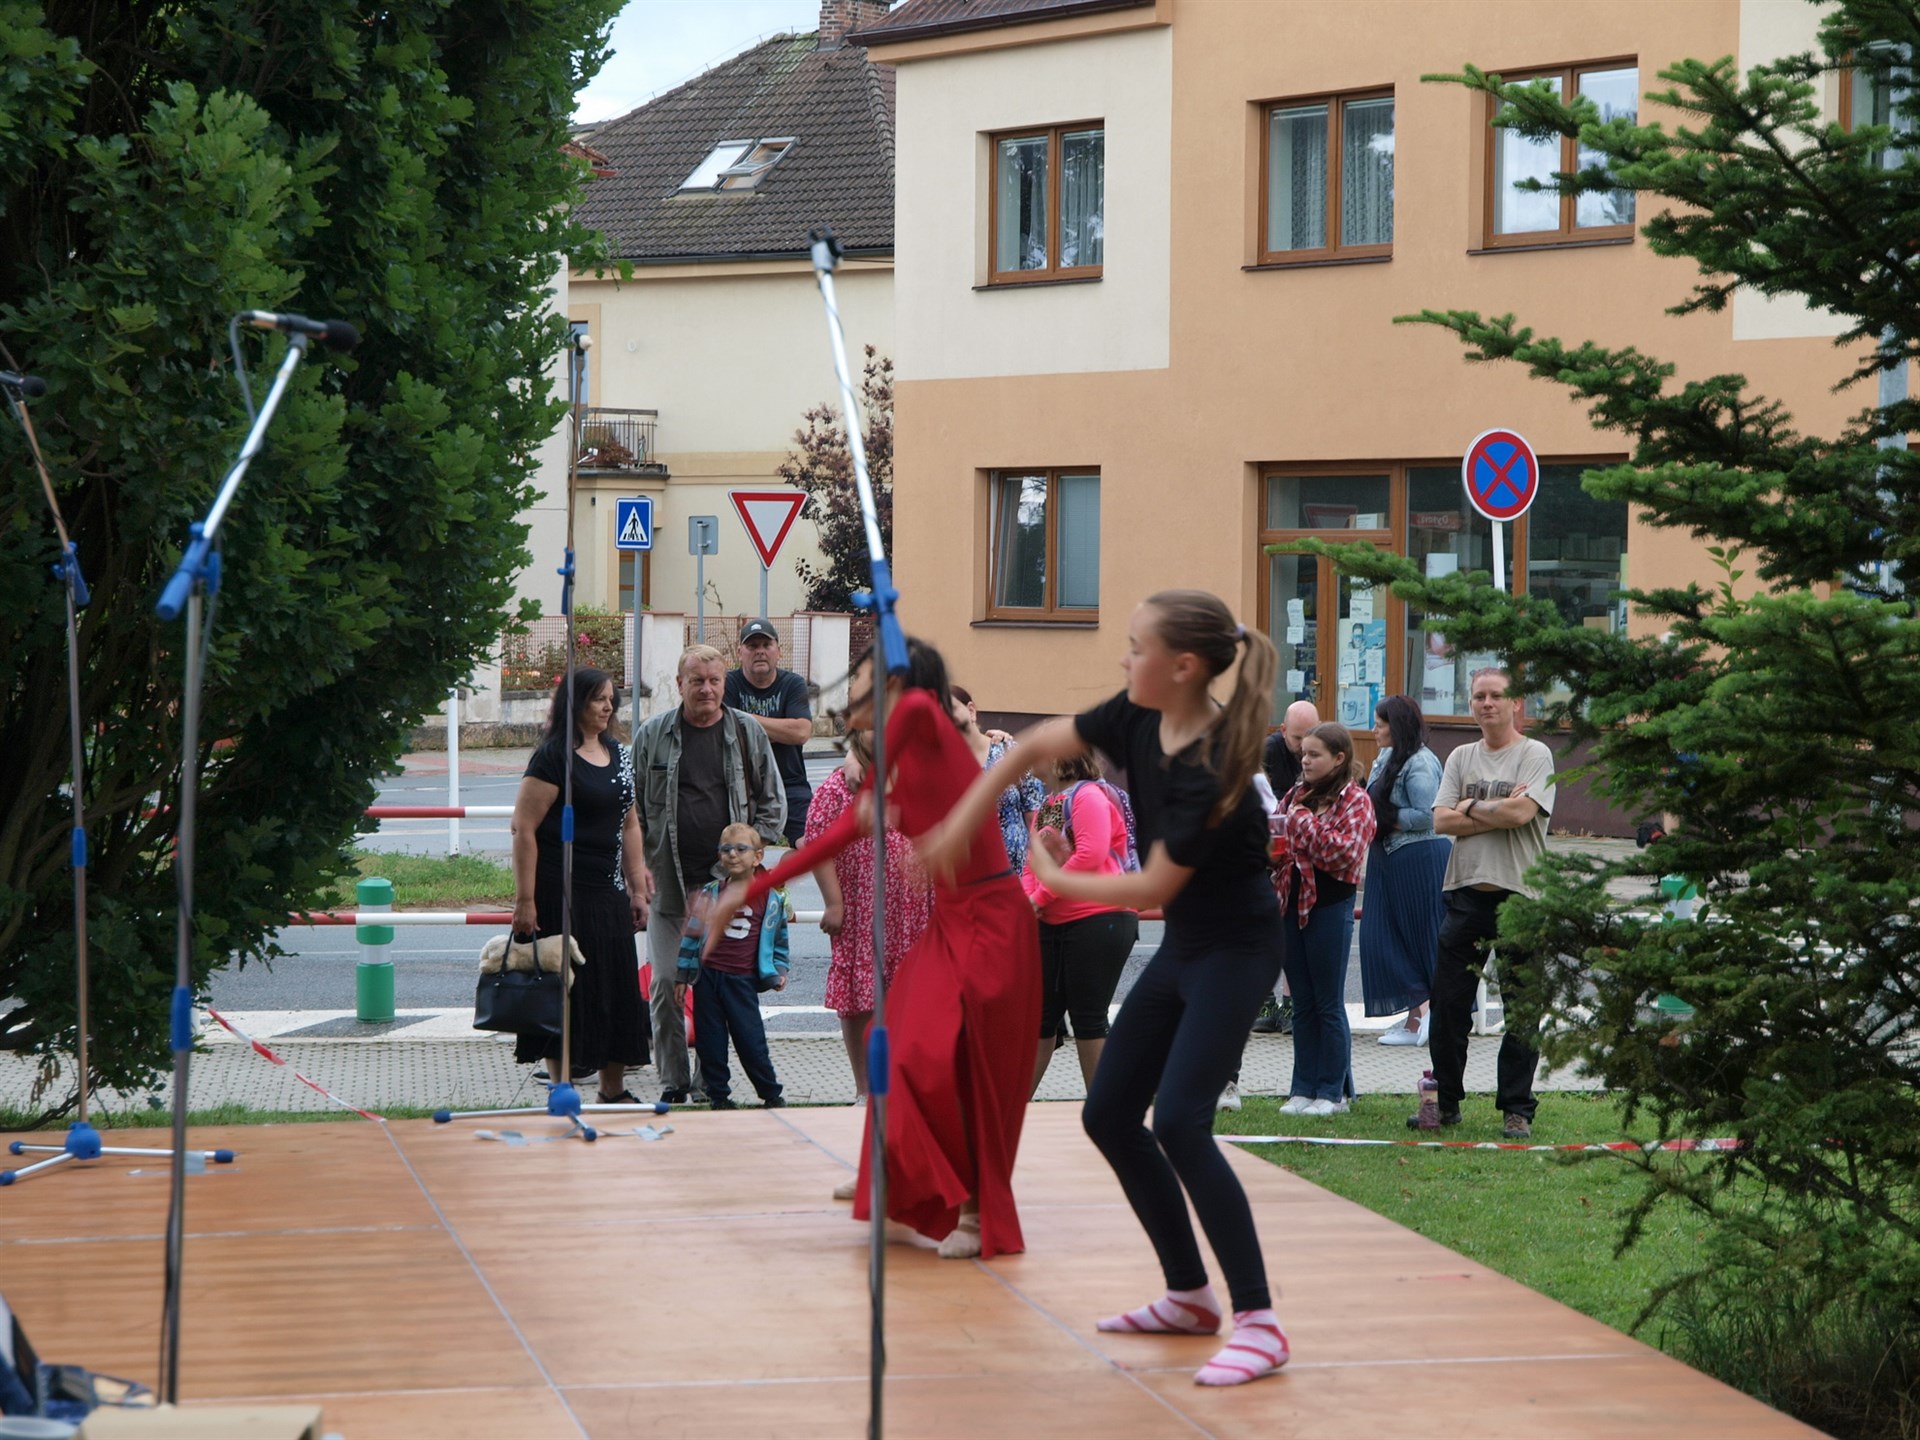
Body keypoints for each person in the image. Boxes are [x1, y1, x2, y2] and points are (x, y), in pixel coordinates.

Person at [934, 589, 1291, 1387]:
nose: (1123, 659)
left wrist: (1055, 874)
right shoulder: (1136, 716)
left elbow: (1154, 884)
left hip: (1236, 951)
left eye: (1136, 646)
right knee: (1108, 1114)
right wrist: (964, 819)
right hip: (1189, 947)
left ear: (1183, 667)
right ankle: (1189, 1294)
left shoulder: (1211, 765)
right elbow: (1034, 746)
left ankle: (1260, 1323)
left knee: (1184, 1123)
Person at [700, 638, 1040, 1261]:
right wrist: (747, 892)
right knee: (901, 1045)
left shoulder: (931, 731)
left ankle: (974, 1213)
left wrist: (874, 691)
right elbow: (829, 840)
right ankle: (893, 1172)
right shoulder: (893, 769)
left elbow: (912, 708)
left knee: (959, 1066)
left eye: (862, 687)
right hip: (951, 924)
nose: (852, 700)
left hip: (993, 922)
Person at [633, 644, 786, 1105]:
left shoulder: (745, 732)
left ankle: (708, 1084)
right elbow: (632, 811)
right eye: (696, 681)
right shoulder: (653, 734)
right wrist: (636, 870)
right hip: (668, 884)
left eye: (714, 680)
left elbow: (773, 804)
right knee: (666, 983)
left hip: (725, 892)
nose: (706, 689)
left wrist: (744, 857)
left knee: (713, 991)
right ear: (679, 684)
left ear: (724, 683)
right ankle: (674, 1080)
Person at [1419, 667, 1556, 1139]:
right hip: (1465, 894)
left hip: (1521, 896)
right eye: (1479, 696)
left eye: (1496, 695)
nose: (1487, 703)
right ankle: (1446, 1104)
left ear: (1515, 703)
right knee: (1449, 1007)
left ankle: (1517, 1109)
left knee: (1522, 1011)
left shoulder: (1535, 754)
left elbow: (1522, 813)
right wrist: (1492, 812)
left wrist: (1468, 807)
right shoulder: (1460, 756)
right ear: (1470, 703)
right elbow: (1440, 821)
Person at [509, 667, 653, 1104]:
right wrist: (525, 900)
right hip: (559, 893)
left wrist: (637, 888)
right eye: (598, 699)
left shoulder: (619, 754)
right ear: (576, 704)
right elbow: (523, 829)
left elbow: (630, 823)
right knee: (564, 991)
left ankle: (613, 1089)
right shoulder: (553, 758)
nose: (608, 707)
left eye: (612, 699)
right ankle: (562, 1087)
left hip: (607, 892)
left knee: (617, 989)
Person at [808, 727, 934, 1102]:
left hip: (912, 910)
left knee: (911, 997)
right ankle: (865, 1089)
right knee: (858, 998)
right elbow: (817, 843)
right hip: (861, 910)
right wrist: (834, 903)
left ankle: (903, 1084)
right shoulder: (839, 787)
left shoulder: (916, 777)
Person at [1021, 752, 1140, 1095]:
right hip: (1053, 922)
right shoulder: (1048, 803)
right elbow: (1032, 863)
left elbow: (1091, 854)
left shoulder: (1088, 796)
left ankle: (1104, 1112)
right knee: (1040, 1019)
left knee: (1088, 1019)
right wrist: (1029, 900)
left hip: (1099, 918)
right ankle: (1009, 1112)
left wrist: (1040, 897)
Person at [1272, 723, 1375, 1117]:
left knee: (1327, 1003)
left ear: (1338, 758)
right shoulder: (1296, 795)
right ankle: (1302, 1088)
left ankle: (1332, 1093)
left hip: (1330, 907)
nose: (1305, 761)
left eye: (1314, 755)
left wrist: (1302, 826)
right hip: (1290, 905)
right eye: (1303, 753)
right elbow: (1276, 838)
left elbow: (1344, 854)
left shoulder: (1356, 800)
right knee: (1301, 1002)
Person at [676, 823, 790, 1109]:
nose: (733, 855)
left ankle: (770, 1093)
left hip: (742, 980)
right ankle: (718, 1095)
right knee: (710, 1041)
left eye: (741, 849)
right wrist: (682, 975)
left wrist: (779, 970)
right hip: (708, 978)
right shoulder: (711, 893)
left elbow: (780, 941)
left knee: (751, 1040)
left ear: (758, 857)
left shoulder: (771, 900)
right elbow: (691, 937)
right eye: (726, 849)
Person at [1360, 696, 1448, 1047]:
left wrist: (1388, 820)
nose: (1374, 730)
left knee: (1418, 939)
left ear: (1396, 727)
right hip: (1387, 857)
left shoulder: (1420, 761)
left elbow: (1429, 814)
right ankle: (1419, 1017)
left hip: (1418, 857)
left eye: (1379, 724)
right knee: (1381, 938)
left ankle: (1426, 1016)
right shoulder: (1386, 756)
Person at [1248, 700, 1319, 1042]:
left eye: (1310, 738)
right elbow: (1274, 809)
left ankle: (1291, 1007)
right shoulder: (1267, 754)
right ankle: (1264, 1004)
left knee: (1294, 932)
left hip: (1301, 857)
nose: (1304, 748)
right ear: (1282, 731)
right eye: (1297, 739)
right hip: (1268, 855)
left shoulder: (1324, 749)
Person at [725, 619, 814, 847]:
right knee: (735, 850)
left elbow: (801, 732)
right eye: (752, 646)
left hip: (790, 783)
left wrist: (744, 721)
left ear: (779, 651)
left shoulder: (793, 684)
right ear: (740, 652)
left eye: (766, 645)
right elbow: (725, 732)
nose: (760, 651)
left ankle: (782, 871)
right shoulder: (728, 684)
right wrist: (780, 729)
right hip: (741, 784)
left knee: (812, 846)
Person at [951, 684, 1044, 873]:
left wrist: (1039, 874)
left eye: (950, 708)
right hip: (967, 874)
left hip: (1017, 874)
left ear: (971, 710)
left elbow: (1035, 816)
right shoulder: (941, 765)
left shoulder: (1009, 751)